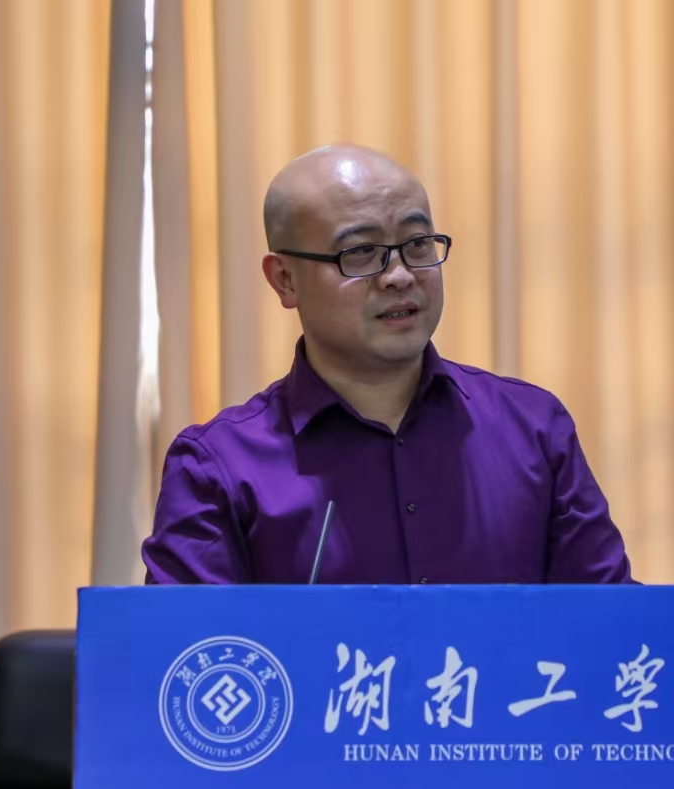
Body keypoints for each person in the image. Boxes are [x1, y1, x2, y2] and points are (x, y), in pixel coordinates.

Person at [142, 144, 633, 585]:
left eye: (417, 245)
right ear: (285, 279)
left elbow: (615, 628)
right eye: (361, 252)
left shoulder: (533, 430)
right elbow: (187, 651)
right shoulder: (219, 468)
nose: (399, 276)